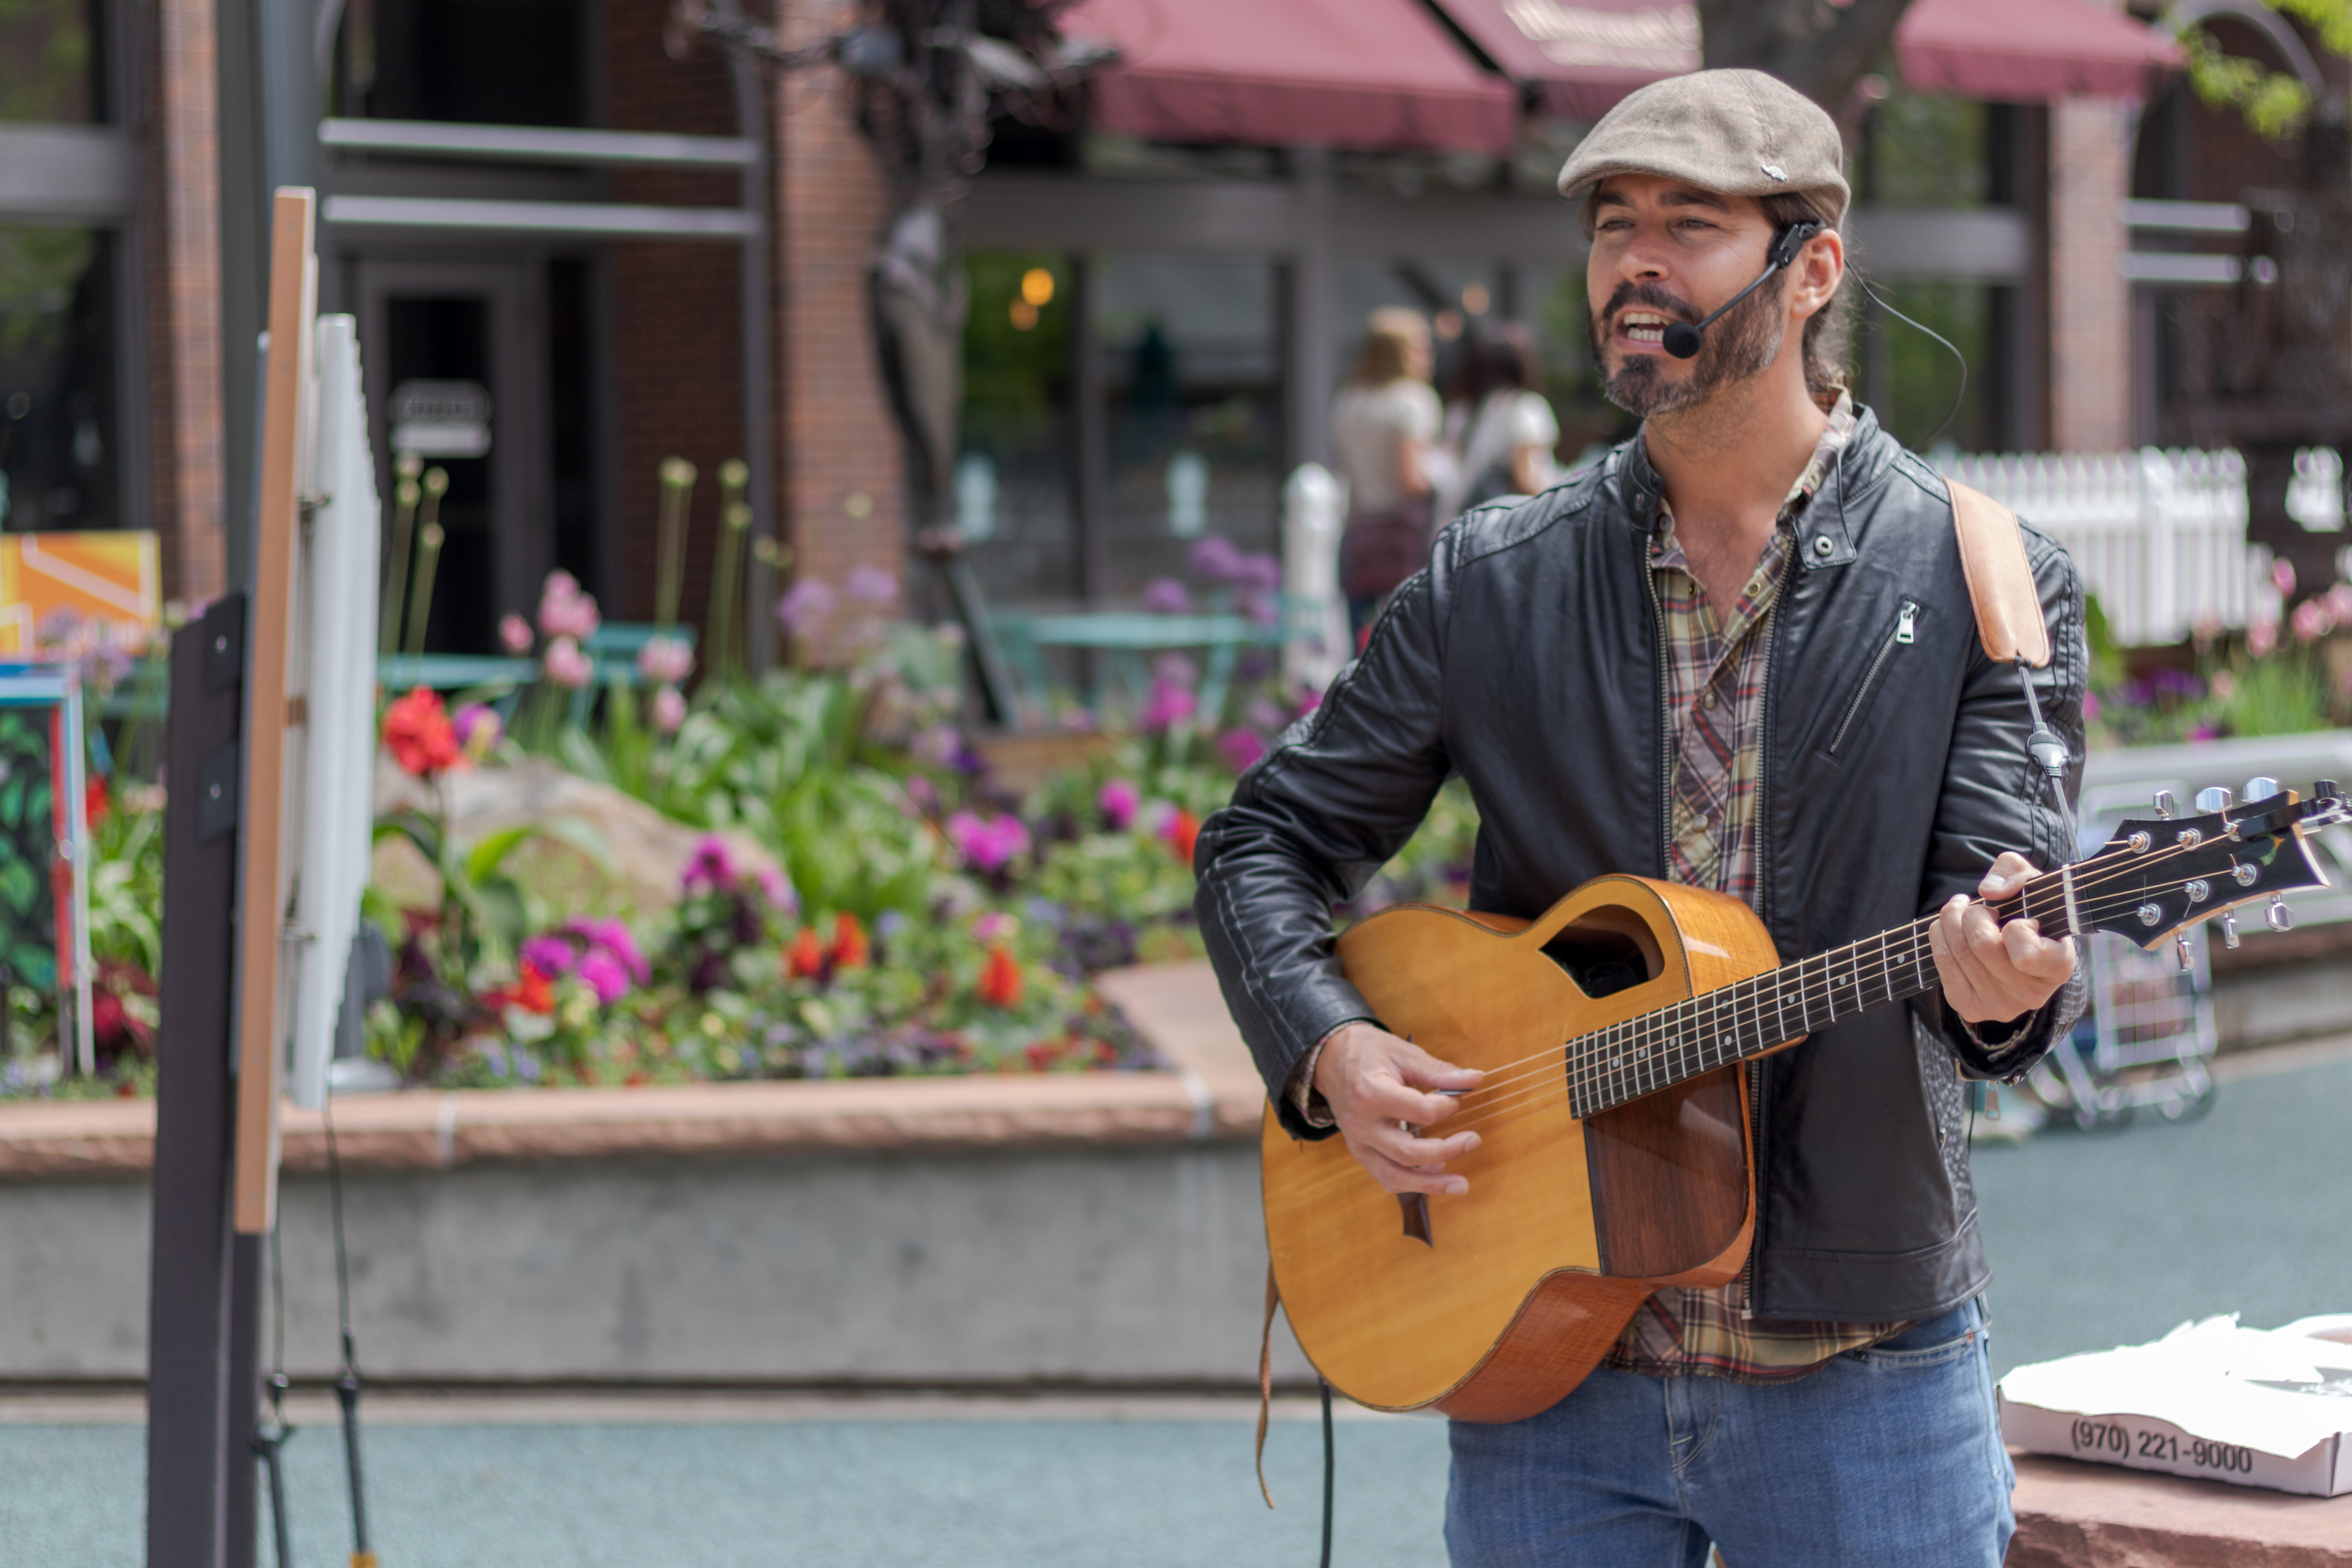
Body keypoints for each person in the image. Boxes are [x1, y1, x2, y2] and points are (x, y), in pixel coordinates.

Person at [1194, 69, 2086, 1568]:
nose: (1634, 263)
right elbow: (1257, 844)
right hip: (1547, 1371)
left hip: (1859, 1374)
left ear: (1809, 271)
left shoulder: (1980, 571)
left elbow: (1996, 943)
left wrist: (2003, 985)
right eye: (1614, 227)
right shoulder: (1491, 575)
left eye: (1687, 223)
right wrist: (1327, 1043)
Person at [1330, 307, 1446, 634]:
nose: (1429, 356)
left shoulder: (1349, 400)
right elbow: (1411, 479)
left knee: (1361, 635)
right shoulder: (1412, 401)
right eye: (1420, 347)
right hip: (1401, 536)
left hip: (1359, 530)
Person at [1433, 323, 1562, 521]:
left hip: (1454, 521)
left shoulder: (1459, 412)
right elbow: (1526, 481)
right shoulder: (1526, 407)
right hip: (1502, 530)